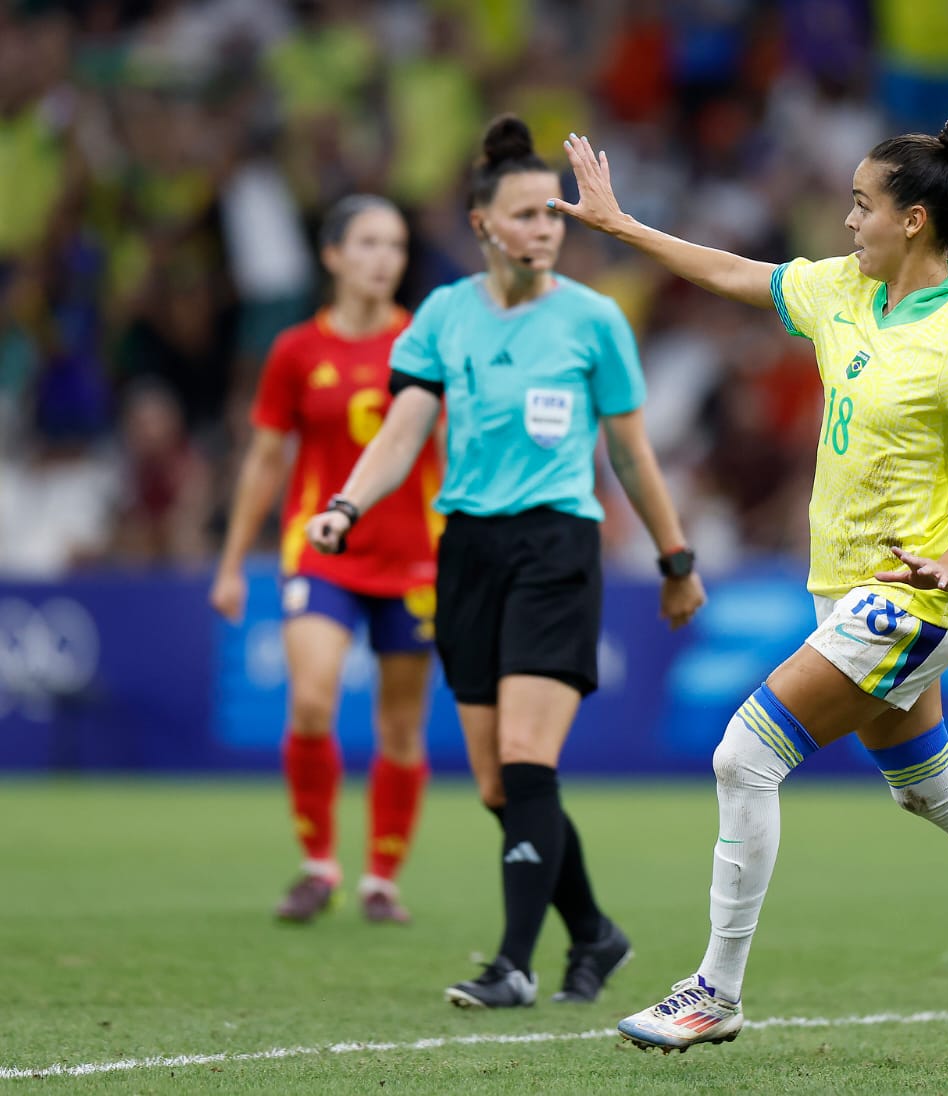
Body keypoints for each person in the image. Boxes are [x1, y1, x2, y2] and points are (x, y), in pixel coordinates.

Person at [550, 109, 948, 1052]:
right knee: (924, 783)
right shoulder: (844, 294)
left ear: (912, 223)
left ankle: (715, 992)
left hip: (913, 597)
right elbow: (737, 273)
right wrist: (622, 227)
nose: (846, 220)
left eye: (862, 205)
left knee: (745, 755)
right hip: (851, 589)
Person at [304, 115, 707, 1008]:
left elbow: (632, 454)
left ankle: (514, 965)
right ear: (483, 224)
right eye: (525, 216)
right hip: (470, 553)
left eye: (554, 217)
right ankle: (596, 933)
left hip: (557, 545)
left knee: (527, 756)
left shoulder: (594, 321)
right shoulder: (443, 315)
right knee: (497, 783)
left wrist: (675, 556)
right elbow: (406, 427)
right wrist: (345, 505)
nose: (545, 230)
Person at [210, 194, 439, 925]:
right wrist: (230, 561)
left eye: (396, 246)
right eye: (368, 243)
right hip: (321, 552)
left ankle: (381, 879)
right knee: (312, 702)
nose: (384, 259)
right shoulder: (296, 352)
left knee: (399, 726)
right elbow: (265, 459)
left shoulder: (428, 342)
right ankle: (318, 865)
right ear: (332, 255)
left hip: (413, 558)